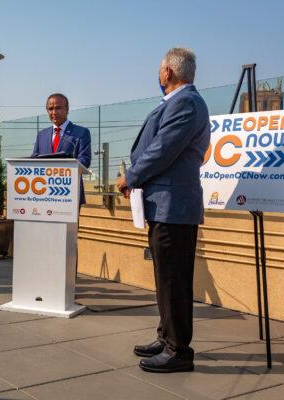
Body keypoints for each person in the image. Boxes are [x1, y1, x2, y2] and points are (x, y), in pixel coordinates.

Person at [117, 48, 210, 373]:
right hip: (164, 205)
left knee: (174, 280)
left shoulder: (187, 102)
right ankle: (167, 336)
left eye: (160, 70)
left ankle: (179, 351)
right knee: (165, 277)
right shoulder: (178, 102)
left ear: (168, 72)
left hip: (174, 208)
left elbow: (163, 149)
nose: (158, 75)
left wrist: (131, 175)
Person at [32, 93, 91, 206]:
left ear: (67, 110)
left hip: (69, 193)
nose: (54, 112)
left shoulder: (81, 133)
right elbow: (34, 159)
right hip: (43, 194)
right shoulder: (42, 135)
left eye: (58, 108)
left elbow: (85, 160)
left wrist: (64, 166)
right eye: (50, 109)